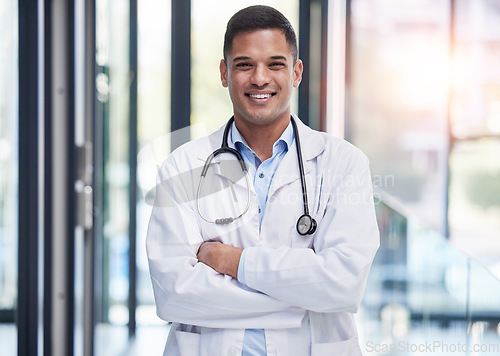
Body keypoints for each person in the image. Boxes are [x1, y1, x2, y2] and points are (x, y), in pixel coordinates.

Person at [147, 5, 379, 356]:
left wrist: (230, 261)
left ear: (296, 72)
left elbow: (344, 285)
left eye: (275, 63)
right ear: (224, 73)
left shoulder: (343, 164)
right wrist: (300, 297)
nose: (259, 78)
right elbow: (174, 294)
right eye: (244, 64)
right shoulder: (183, 166)